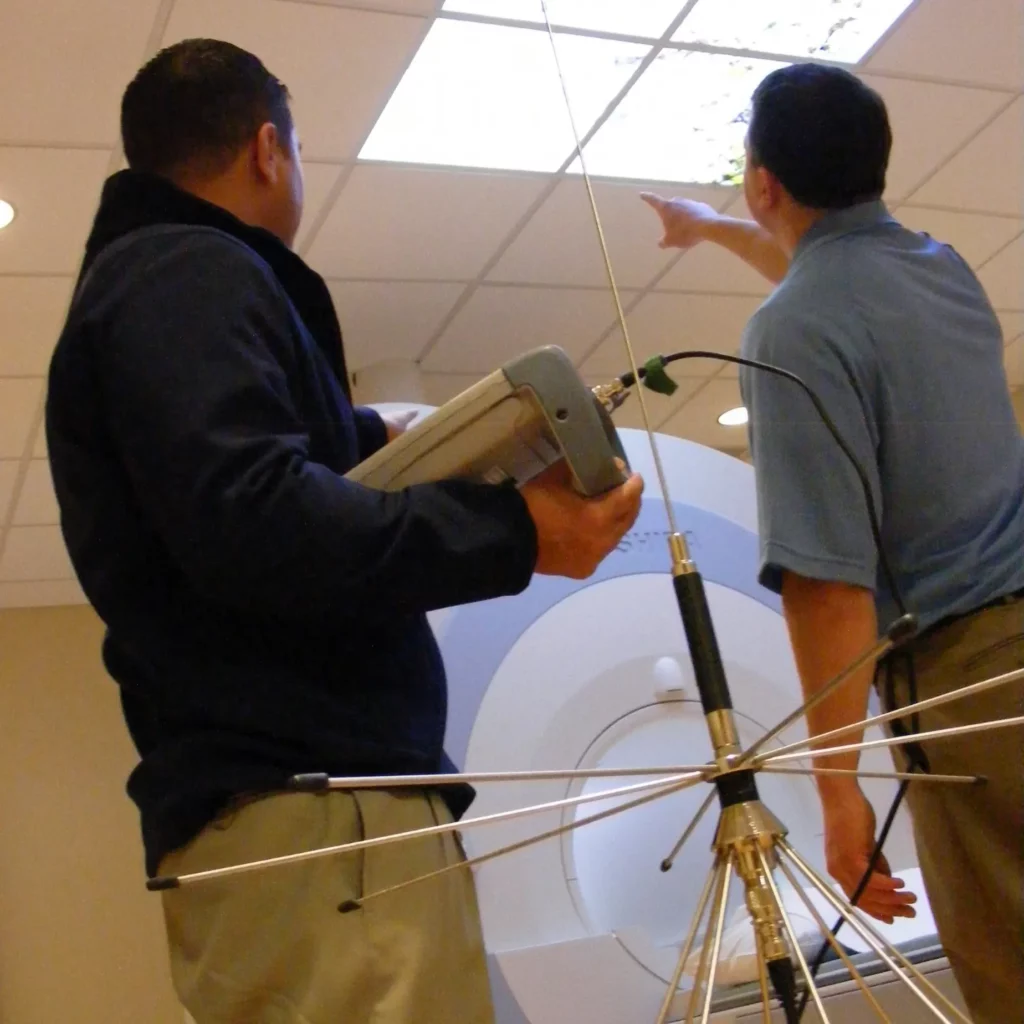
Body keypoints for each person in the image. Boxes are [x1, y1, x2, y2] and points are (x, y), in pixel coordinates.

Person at [45, 38, 643, 1024]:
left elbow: (234, 490)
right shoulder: (184, 269)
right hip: (325, 821)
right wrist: (513, 532)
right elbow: (255, 519)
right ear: (267, 149)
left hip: (312, 826)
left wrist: (375, 435)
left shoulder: (152, 284)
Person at [642, 63, 1024, 1022]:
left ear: (763, 179)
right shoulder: (941, 269)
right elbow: (830, 289)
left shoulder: (789, 333)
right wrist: (713, 226)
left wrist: (840, 796)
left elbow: (827, 588)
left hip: (973, 685)